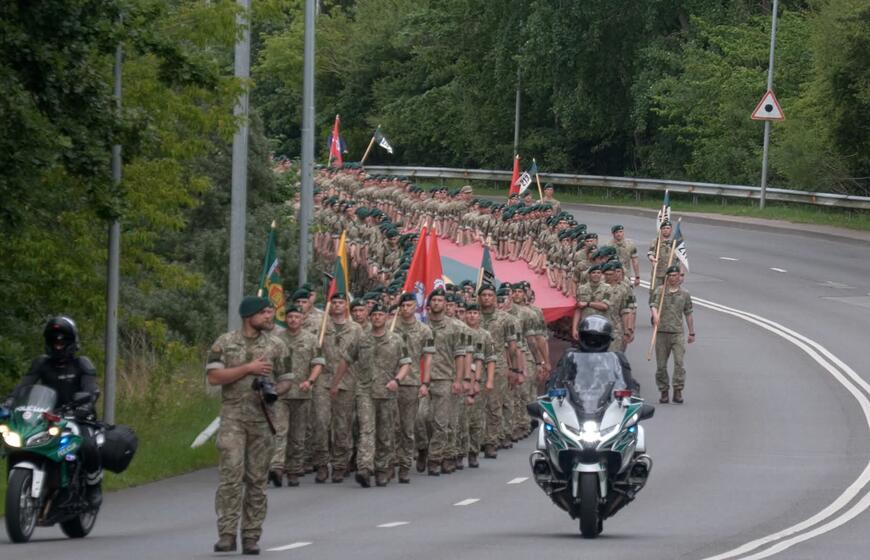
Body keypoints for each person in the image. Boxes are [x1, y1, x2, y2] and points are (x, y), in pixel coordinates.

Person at [206, 296, 290, 555]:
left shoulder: (277, 345)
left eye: (270, 312)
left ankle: (251, 536)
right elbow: (214, 376)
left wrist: (274, 390)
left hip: (263, 419)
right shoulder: (225, 343)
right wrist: (248, 369)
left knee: (257, 480)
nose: (269, 316)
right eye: (264, 312)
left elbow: (288, 379)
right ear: (248, 316)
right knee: (230, 476)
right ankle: (227, 534)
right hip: (233, 418)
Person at [11, 316, 103, 506]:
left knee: (87, 445)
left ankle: (93, 485)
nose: (58, 346)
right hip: (47, 416)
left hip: (78, 416)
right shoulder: (41, 364)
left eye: (62, 342)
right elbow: (24, 386)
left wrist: (85, 404)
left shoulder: (82, 364)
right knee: (22, 441)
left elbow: (90, 388)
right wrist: (10, 401)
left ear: (72, 342)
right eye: (54, 341)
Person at [354, 304, 411, 487]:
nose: (377, 317)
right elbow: (346, 360)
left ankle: (382, 468)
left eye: (380, 314)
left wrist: (397, 380)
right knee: (366, 430)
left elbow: (406, 364)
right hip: (365, 391)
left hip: (387, 392)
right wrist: (336, 383)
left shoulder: (396, 340)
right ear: (370, 317)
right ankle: (365, 467)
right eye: (375, 314)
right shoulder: (362, 339)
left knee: (385, 433)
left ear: (386, 317)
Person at [269, 304, 325, 488]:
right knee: (279, 431)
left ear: (302, 319)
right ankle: (277, 467)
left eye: (297, 317)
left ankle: (293, 470)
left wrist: (310, 381)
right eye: (290, 317)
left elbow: (318, 363)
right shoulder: (276, 339)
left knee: (298, 435)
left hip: (302, 393)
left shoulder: (311, 339)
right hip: (280, 394)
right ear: (286, 319)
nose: (293, 320)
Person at [649, 265, 695, 404]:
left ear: (679, 277)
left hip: (677, 333)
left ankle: (678, 390)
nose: (673, 278)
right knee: (661, 365)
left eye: (676, 275)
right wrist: (655, 315)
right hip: (662, 332)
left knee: (679, 363)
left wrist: (691, 332)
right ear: (667, 277)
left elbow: (688, 313)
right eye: (670, 276)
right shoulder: (660, 291)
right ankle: (664, 391)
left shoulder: (685, 294)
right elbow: (653, 304)